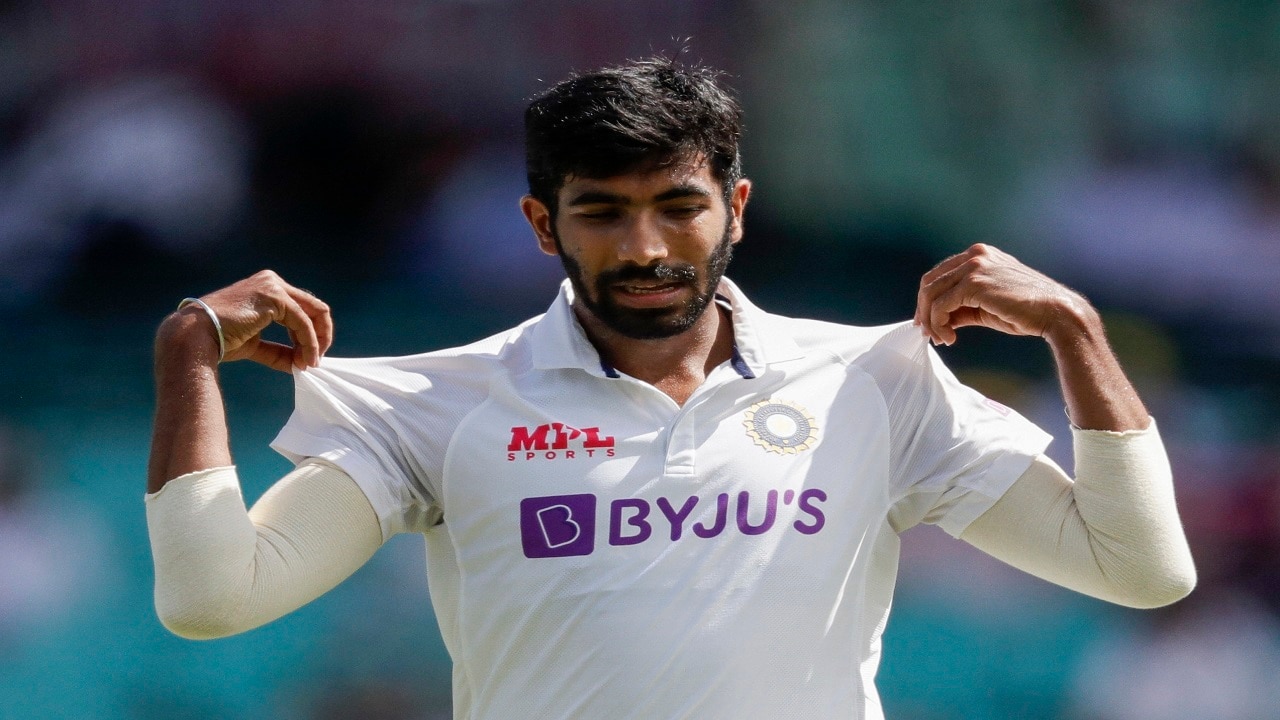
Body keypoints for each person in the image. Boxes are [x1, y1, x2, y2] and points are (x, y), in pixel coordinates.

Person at [145, 58, 1196, 720]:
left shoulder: (876, 379)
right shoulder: (434, 402)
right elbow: (212, 600)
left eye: (677, 206)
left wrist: (1077, 332)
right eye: (601, 211)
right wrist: (188, 355)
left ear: (734, 206)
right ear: (541, 225)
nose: (644, 247)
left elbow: (1139, 569)